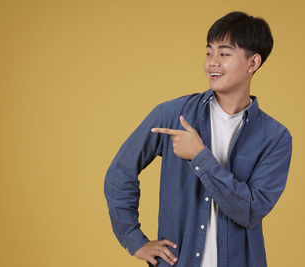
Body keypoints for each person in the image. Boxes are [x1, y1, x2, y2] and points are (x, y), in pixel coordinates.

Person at [104, 11, 293, 267]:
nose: (212, 62)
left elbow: (249, 211)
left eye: (224, 54)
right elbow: (120, 172)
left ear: (253, 63)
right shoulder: (172, 114)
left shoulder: (275, 137)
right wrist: (133, 239)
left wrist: (199, 157)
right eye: (209, 52)